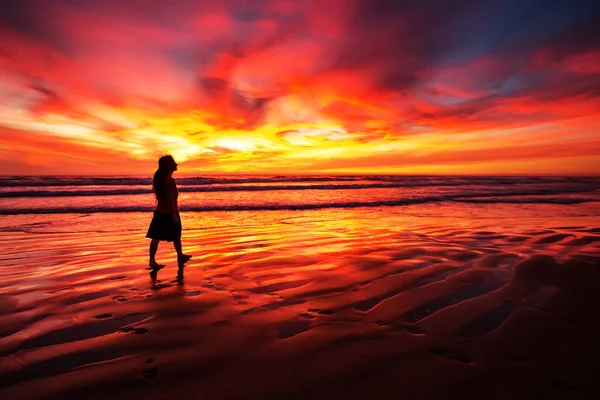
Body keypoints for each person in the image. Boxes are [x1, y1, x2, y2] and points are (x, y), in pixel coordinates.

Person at [146, 155, 191, 271]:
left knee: (156, 237)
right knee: (176, 235)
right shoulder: (170, 181)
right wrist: (174, 215)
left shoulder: (161, 179)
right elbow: (170, 200)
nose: (177, 164)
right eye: (174, 162)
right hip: (169, 212)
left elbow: (166, 199)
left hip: (159, 212)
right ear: (168, 165)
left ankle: (153, 260)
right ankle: (179, 256)